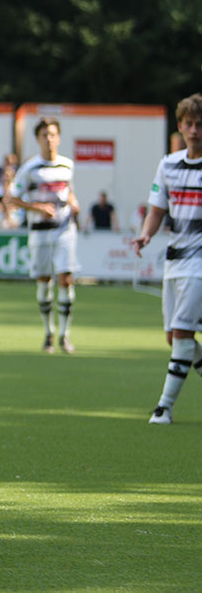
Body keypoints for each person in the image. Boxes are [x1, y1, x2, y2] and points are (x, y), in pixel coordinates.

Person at [132, 93, 202, 424]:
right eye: (189, 124)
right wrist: (147, 233)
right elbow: (158, 208)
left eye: (200, 125)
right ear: (180, 126)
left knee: (183, 333)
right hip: (174, 259)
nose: (194, 130)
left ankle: (164, 407)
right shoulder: (169, 164)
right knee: (174, 337)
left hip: (199, 263)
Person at [6, 117, 81, 354]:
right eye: (44, 135)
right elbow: (12, 198)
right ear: (37, 139)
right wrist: (37, 207)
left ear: (58, 137)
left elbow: (68, 191)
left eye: (52, 134)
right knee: (44, 281)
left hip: (64, 229)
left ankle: (65, 334)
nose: (49, 139)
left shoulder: (67, 165)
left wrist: (73, 201)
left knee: (66, 278)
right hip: (40, 232)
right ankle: (48, 332)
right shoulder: (30, 169)